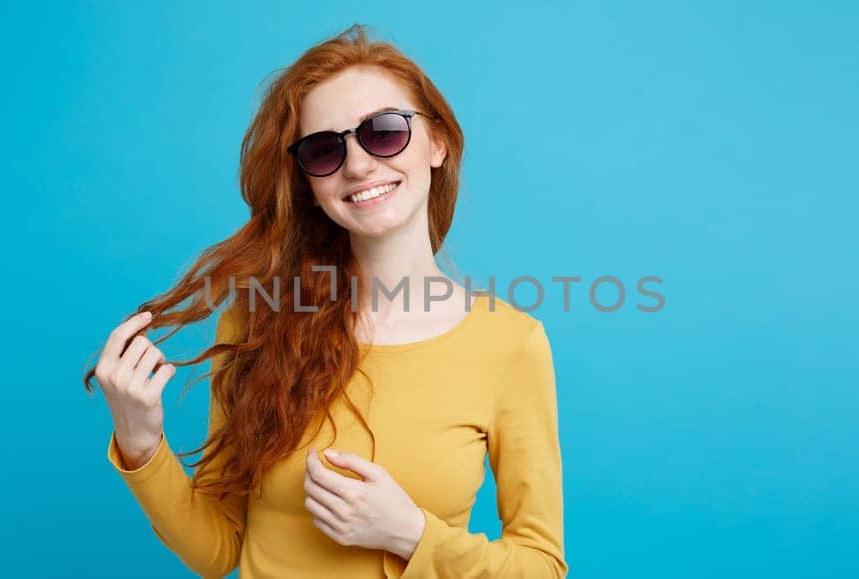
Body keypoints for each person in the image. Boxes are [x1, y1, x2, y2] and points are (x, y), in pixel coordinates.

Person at [84, 24, 566, 578]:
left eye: (384, 132)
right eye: (325, 149)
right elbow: (217, 552)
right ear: (308, 182)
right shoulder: (257, 322)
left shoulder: (511, 345)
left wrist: (410, 535)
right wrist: (140, 442)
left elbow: (542, 566)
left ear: (438, 143)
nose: (358, 165)